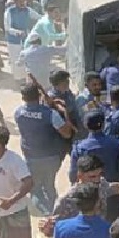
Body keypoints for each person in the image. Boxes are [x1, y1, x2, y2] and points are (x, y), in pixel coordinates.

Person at [14, 83, 73, 215]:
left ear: (23, 98)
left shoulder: (18, 112)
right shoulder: (51, 114)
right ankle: (53, 211)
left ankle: (45, 212)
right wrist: (65, 115)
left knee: (35, 189)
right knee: (49, 185)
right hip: (51, 157)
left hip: (30, 157)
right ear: (39, 95)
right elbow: (67, 134)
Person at [69, 110, 119, 222]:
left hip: (87, 193)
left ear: (86, 125)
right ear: (103, 124)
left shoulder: (79, 147)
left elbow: (73, 174)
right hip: (112, 193)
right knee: (112, 223)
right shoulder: (116, 143)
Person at [4, 0, 40, 82]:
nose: (21, 2)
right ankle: (18, 80)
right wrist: (17, 32)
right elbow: (7, 27)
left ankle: (27, 80)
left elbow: (39, 17)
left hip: (25, 40)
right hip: (13, 41)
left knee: (26, 59)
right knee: (16, 60)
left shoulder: (28, 10)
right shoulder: (9, 11)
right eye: (19, 1)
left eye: (23, 0)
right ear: (15, 2)